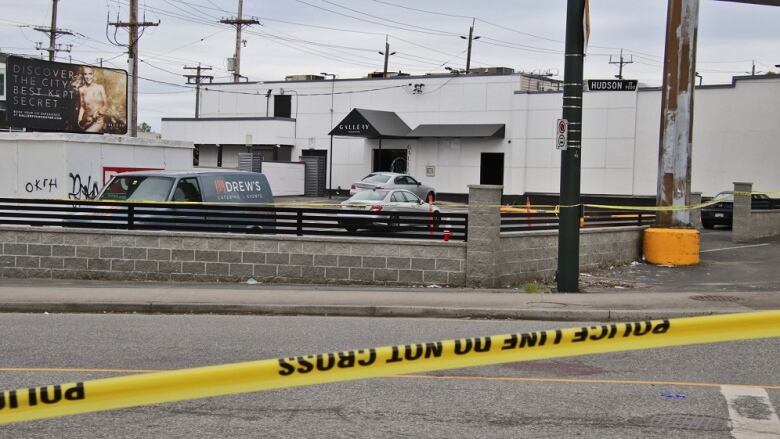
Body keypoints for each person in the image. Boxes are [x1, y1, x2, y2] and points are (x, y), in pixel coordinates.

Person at [77, 67, 108, 133]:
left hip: (98, 121)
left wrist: (98, 113)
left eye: (90, 74)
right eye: (85, 74)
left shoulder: (100, 87)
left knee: (87, 135)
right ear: (83, 75)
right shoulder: (81, 90)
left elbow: (106, 105)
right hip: (87, 121)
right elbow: (82, 107)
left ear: (93, 74)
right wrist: (79, 120)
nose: (88, 77)